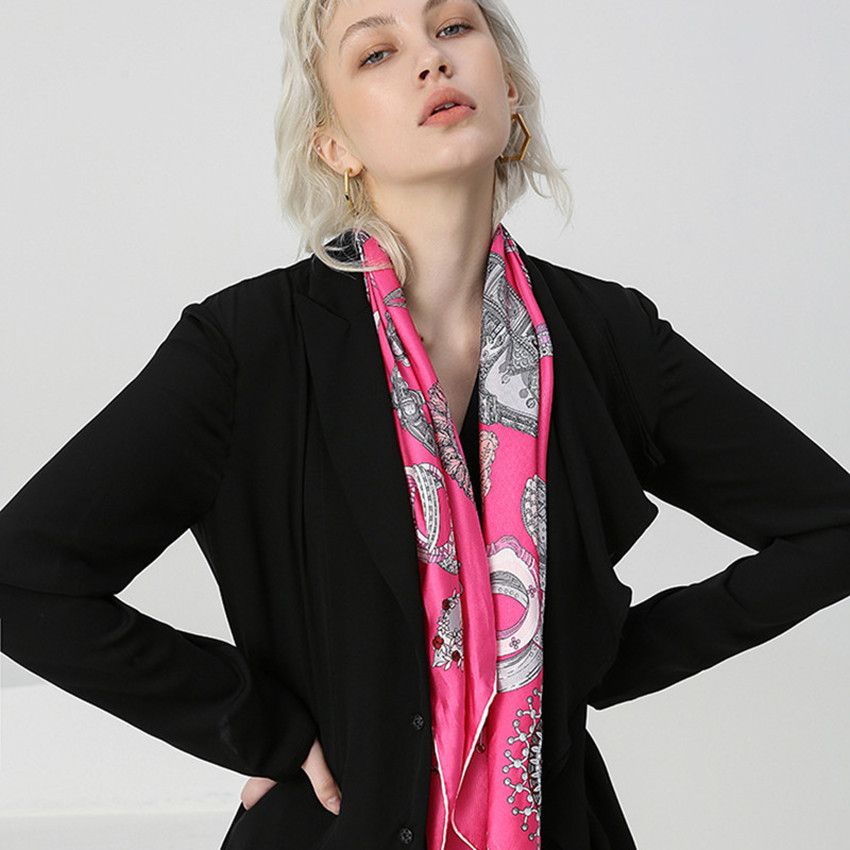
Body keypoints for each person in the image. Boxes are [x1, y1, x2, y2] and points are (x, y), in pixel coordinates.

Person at [1, 0, 849, 848]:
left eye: (453, 28)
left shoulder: (605, 337)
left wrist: (603, 659)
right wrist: (255, 723)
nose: (431, 61)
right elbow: (25, 579)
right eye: (377, 52)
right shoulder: (247, 349)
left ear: (509, 89)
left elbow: (831, 526)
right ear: (333, 145)